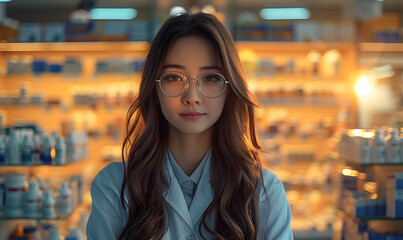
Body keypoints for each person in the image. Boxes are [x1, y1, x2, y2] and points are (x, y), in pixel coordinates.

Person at [86, 12, 292, 240]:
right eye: (174, 77)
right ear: (154, 89)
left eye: (211, 78)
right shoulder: (115, 188)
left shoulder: (264, 193)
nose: (192, 97)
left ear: (229, 90)